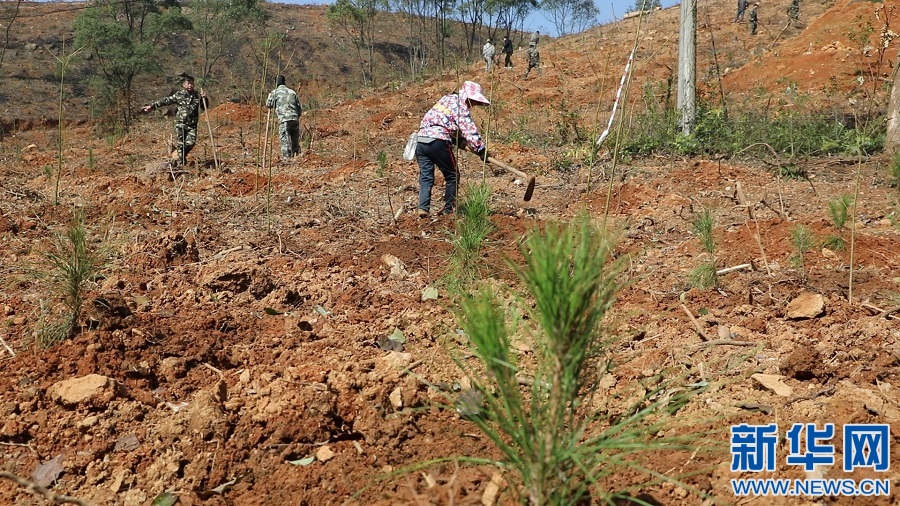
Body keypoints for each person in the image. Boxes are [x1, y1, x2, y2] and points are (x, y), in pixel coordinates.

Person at [414, 81, 490, 217]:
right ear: (468, 97)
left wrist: (457, 139)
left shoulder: (446, 99)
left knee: (426, 177)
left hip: (421, 141)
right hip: (438, 141)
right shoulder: (460, 106)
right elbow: (468, 129)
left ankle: (423, 208)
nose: (474, 104)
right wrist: (481, 149)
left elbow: (443, 121)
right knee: (452, 176)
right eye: (473, 101)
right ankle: (449, 210)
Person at [142, 73, 208, 167]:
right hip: (181, 124)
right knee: (181, 145)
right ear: (184, 85)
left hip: (192, 125)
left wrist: (205, 99)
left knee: (190, 143)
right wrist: (152, 106)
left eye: (192, 83)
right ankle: (181, 164)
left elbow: (204, 107)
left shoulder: (197, 95)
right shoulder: (179, 95)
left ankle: (178, 155)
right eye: (188, 83)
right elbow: (165, 101)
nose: (190, 85)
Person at [265, 74, 303, 160]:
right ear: (284, 82)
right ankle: (298, 156)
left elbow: (268, 105)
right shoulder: (292, 92)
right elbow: (299, 107)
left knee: (284, 139)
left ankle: (287, 158)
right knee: (295, 139)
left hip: (284, 119)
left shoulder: (274, 93)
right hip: (294, 118)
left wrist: (269, 97)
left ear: (275, 83)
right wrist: (297, 116)